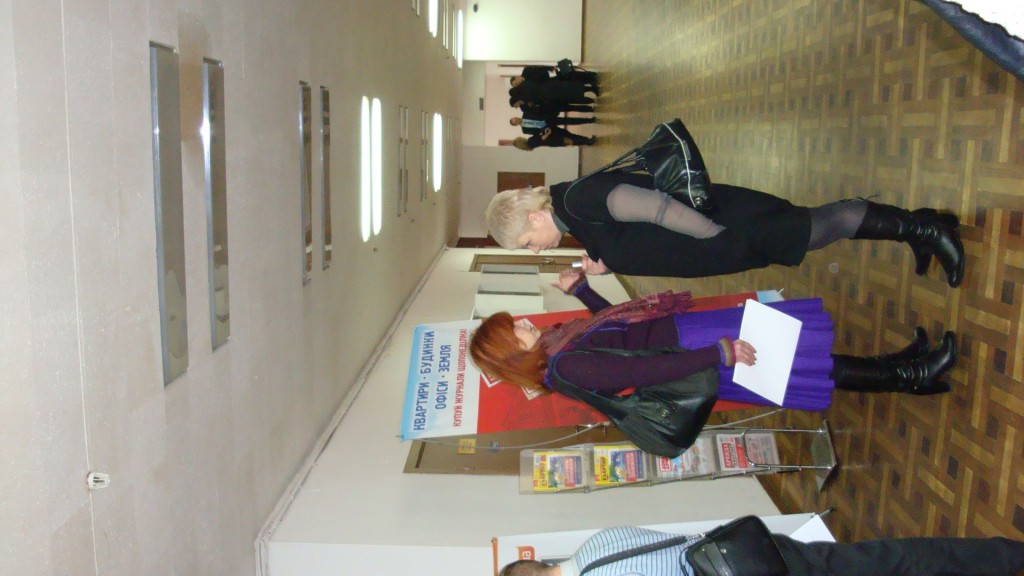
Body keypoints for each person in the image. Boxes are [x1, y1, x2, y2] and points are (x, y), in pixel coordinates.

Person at [469, 270, 957, 422]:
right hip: (697, 353)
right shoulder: (564, 371)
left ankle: (898, 366)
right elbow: (642, 372)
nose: (525, 322)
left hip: (689, 336)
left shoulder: (558, 346)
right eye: (515, 329)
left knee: (799, 351)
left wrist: (582, 290)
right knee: (798, 366)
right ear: (511, 350)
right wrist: (716, 354)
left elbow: (617, 330)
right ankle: (909, 376)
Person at [484, 173, 965, 288]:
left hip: (727, 225)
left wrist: (716, 237)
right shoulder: (577, 219)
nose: (536, 251)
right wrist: (607, 263)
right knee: (811, 231)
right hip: (722, 236)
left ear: (533, 218)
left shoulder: (576, 200)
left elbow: (654, 207)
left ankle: (926, 230)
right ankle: (920, 227)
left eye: (527, 244)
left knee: (819, 227)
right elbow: (634, 236)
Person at [498, 524, 1024, 576]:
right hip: (751, 551)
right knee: (880, 559)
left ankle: (1004, 560)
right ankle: (1003, 555)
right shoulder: (598, 542)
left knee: (891, 567)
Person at [511, 112, 595, 135]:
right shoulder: (525, 130)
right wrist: (544, 130)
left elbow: (538, 112)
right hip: (547, 129)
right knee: (564, 133)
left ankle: (589, 120)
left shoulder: (526, 114)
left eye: (516, 119)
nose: (518, 120)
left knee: (568, 120)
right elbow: (536, 133)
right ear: (516, 125)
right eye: (516, 122)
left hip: (548, 119)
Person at [513, 128, 596, 150]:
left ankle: (587, 141)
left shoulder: (530, 145)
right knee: (570, 140)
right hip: (550, 139)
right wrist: (548, 133)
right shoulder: (530, 141)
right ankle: (588, 141)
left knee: (570, 141)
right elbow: (542, 139)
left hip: (551, 142)